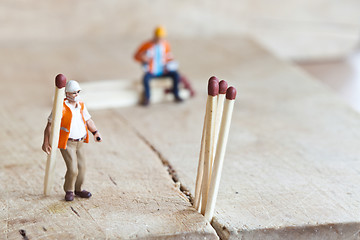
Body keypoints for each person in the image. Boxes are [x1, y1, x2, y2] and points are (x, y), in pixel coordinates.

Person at [42, 80, 102, 201]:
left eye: (78, 92)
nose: (76, 95)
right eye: (74, 93)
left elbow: (88, 120)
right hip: (67, 142)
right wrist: (46, 142)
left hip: (80, 142)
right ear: (67, 93)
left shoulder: (81, 105)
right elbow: (49, 125)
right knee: (73, 169)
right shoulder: (60, 107)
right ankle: (69, 190)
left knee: (82, 167)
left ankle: (78, 189)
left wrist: (95, 132)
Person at [134, 26, 183, 106]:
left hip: (164, 70)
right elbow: (136, 56)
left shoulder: (166, 45)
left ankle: (176, 94)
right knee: (145, 78)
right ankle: (147, 98)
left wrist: (171, 61)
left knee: (176, 75)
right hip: (151, 71)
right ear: (154, 36)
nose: (160, 40)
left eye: (162, 38)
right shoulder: (146, 45)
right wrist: (142, 57)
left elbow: (168, 56)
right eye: (158, 38)